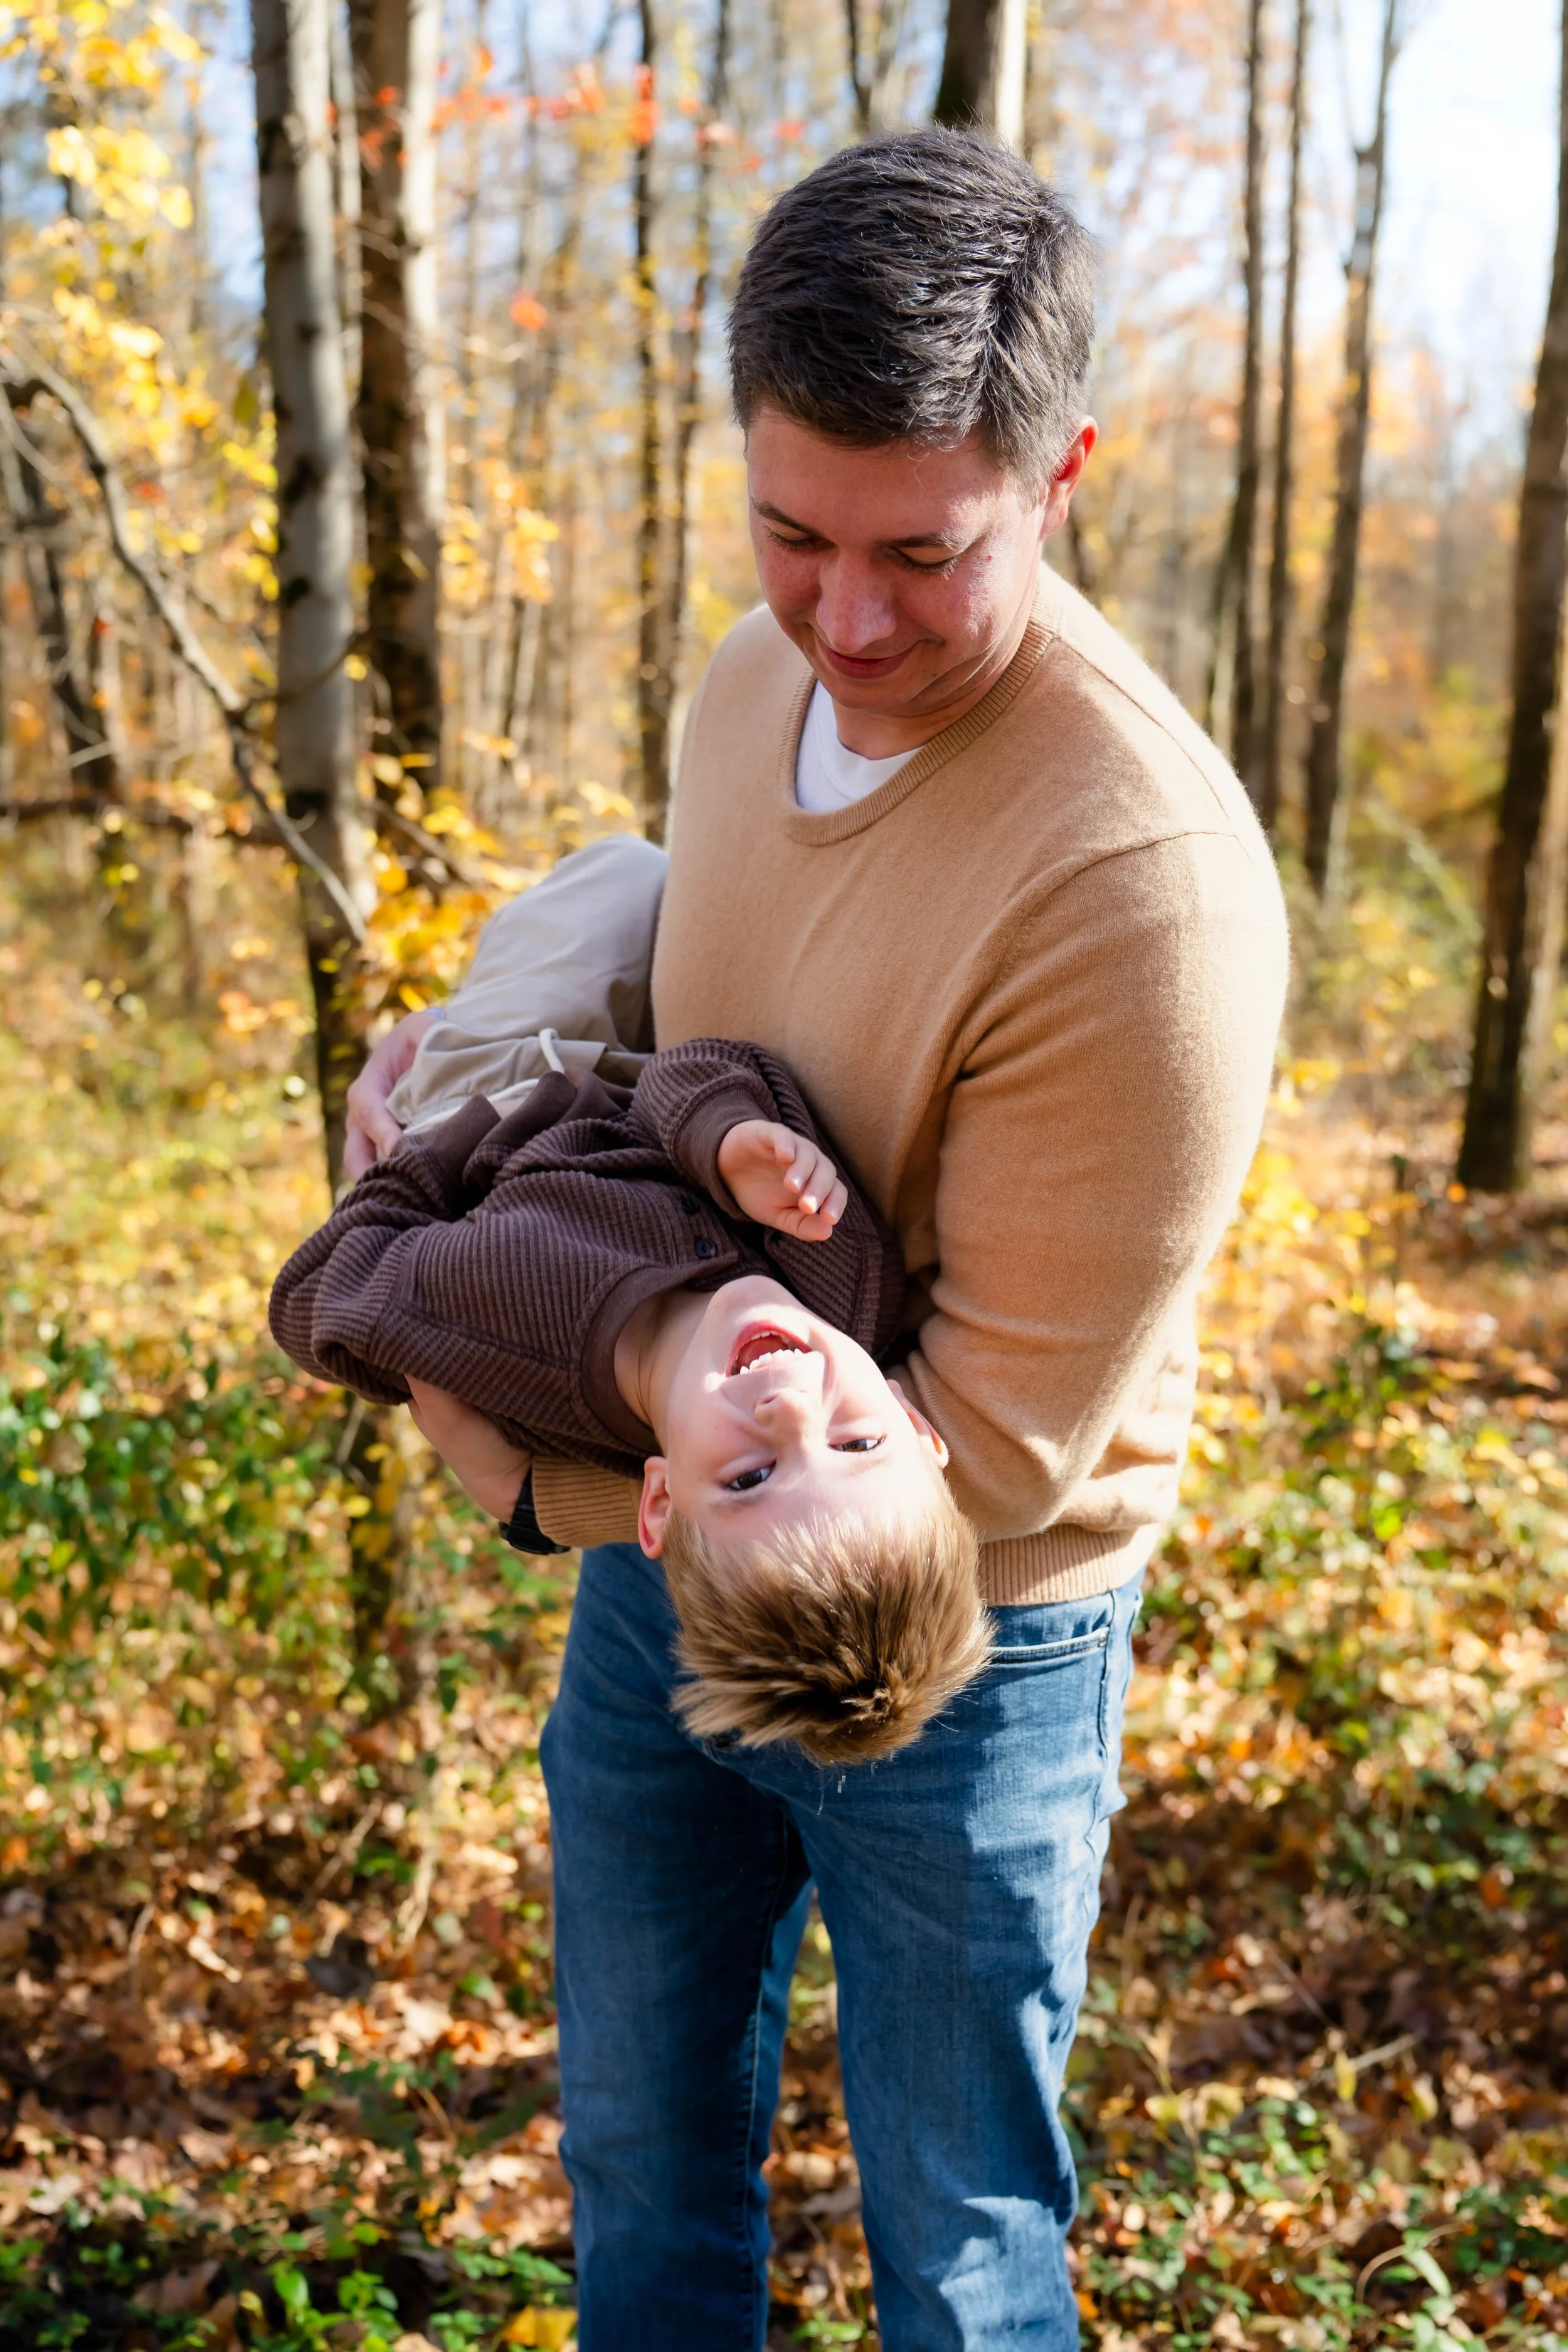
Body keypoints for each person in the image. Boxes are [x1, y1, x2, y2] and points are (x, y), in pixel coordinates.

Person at [344, 130, 1288, 2352]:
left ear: (1063, 469)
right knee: (644, 2171)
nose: (847, 621)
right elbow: (700, 1031)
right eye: (792, 534)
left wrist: (511, 1450)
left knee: (959, 2256)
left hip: (961, 1644)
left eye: (922, 556)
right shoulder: (739, 687)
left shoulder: (1138, 884)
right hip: (664, 1551)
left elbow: (983, 1443)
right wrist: (477, 1089)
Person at [271, 865, 987, 1761]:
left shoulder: (506, 1319)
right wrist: (723, 1141)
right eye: (857, 1445)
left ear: (657, 1502)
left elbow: (315, 1293)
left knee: (622, 877)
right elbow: (696, 1070)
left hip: (485, 1094)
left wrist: (413, 1164)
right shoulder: (838, 1272)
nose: (793, 1409)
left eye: (748, 1479)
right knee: (692, 887)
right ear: (916, 1423)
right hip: (628, 1082)